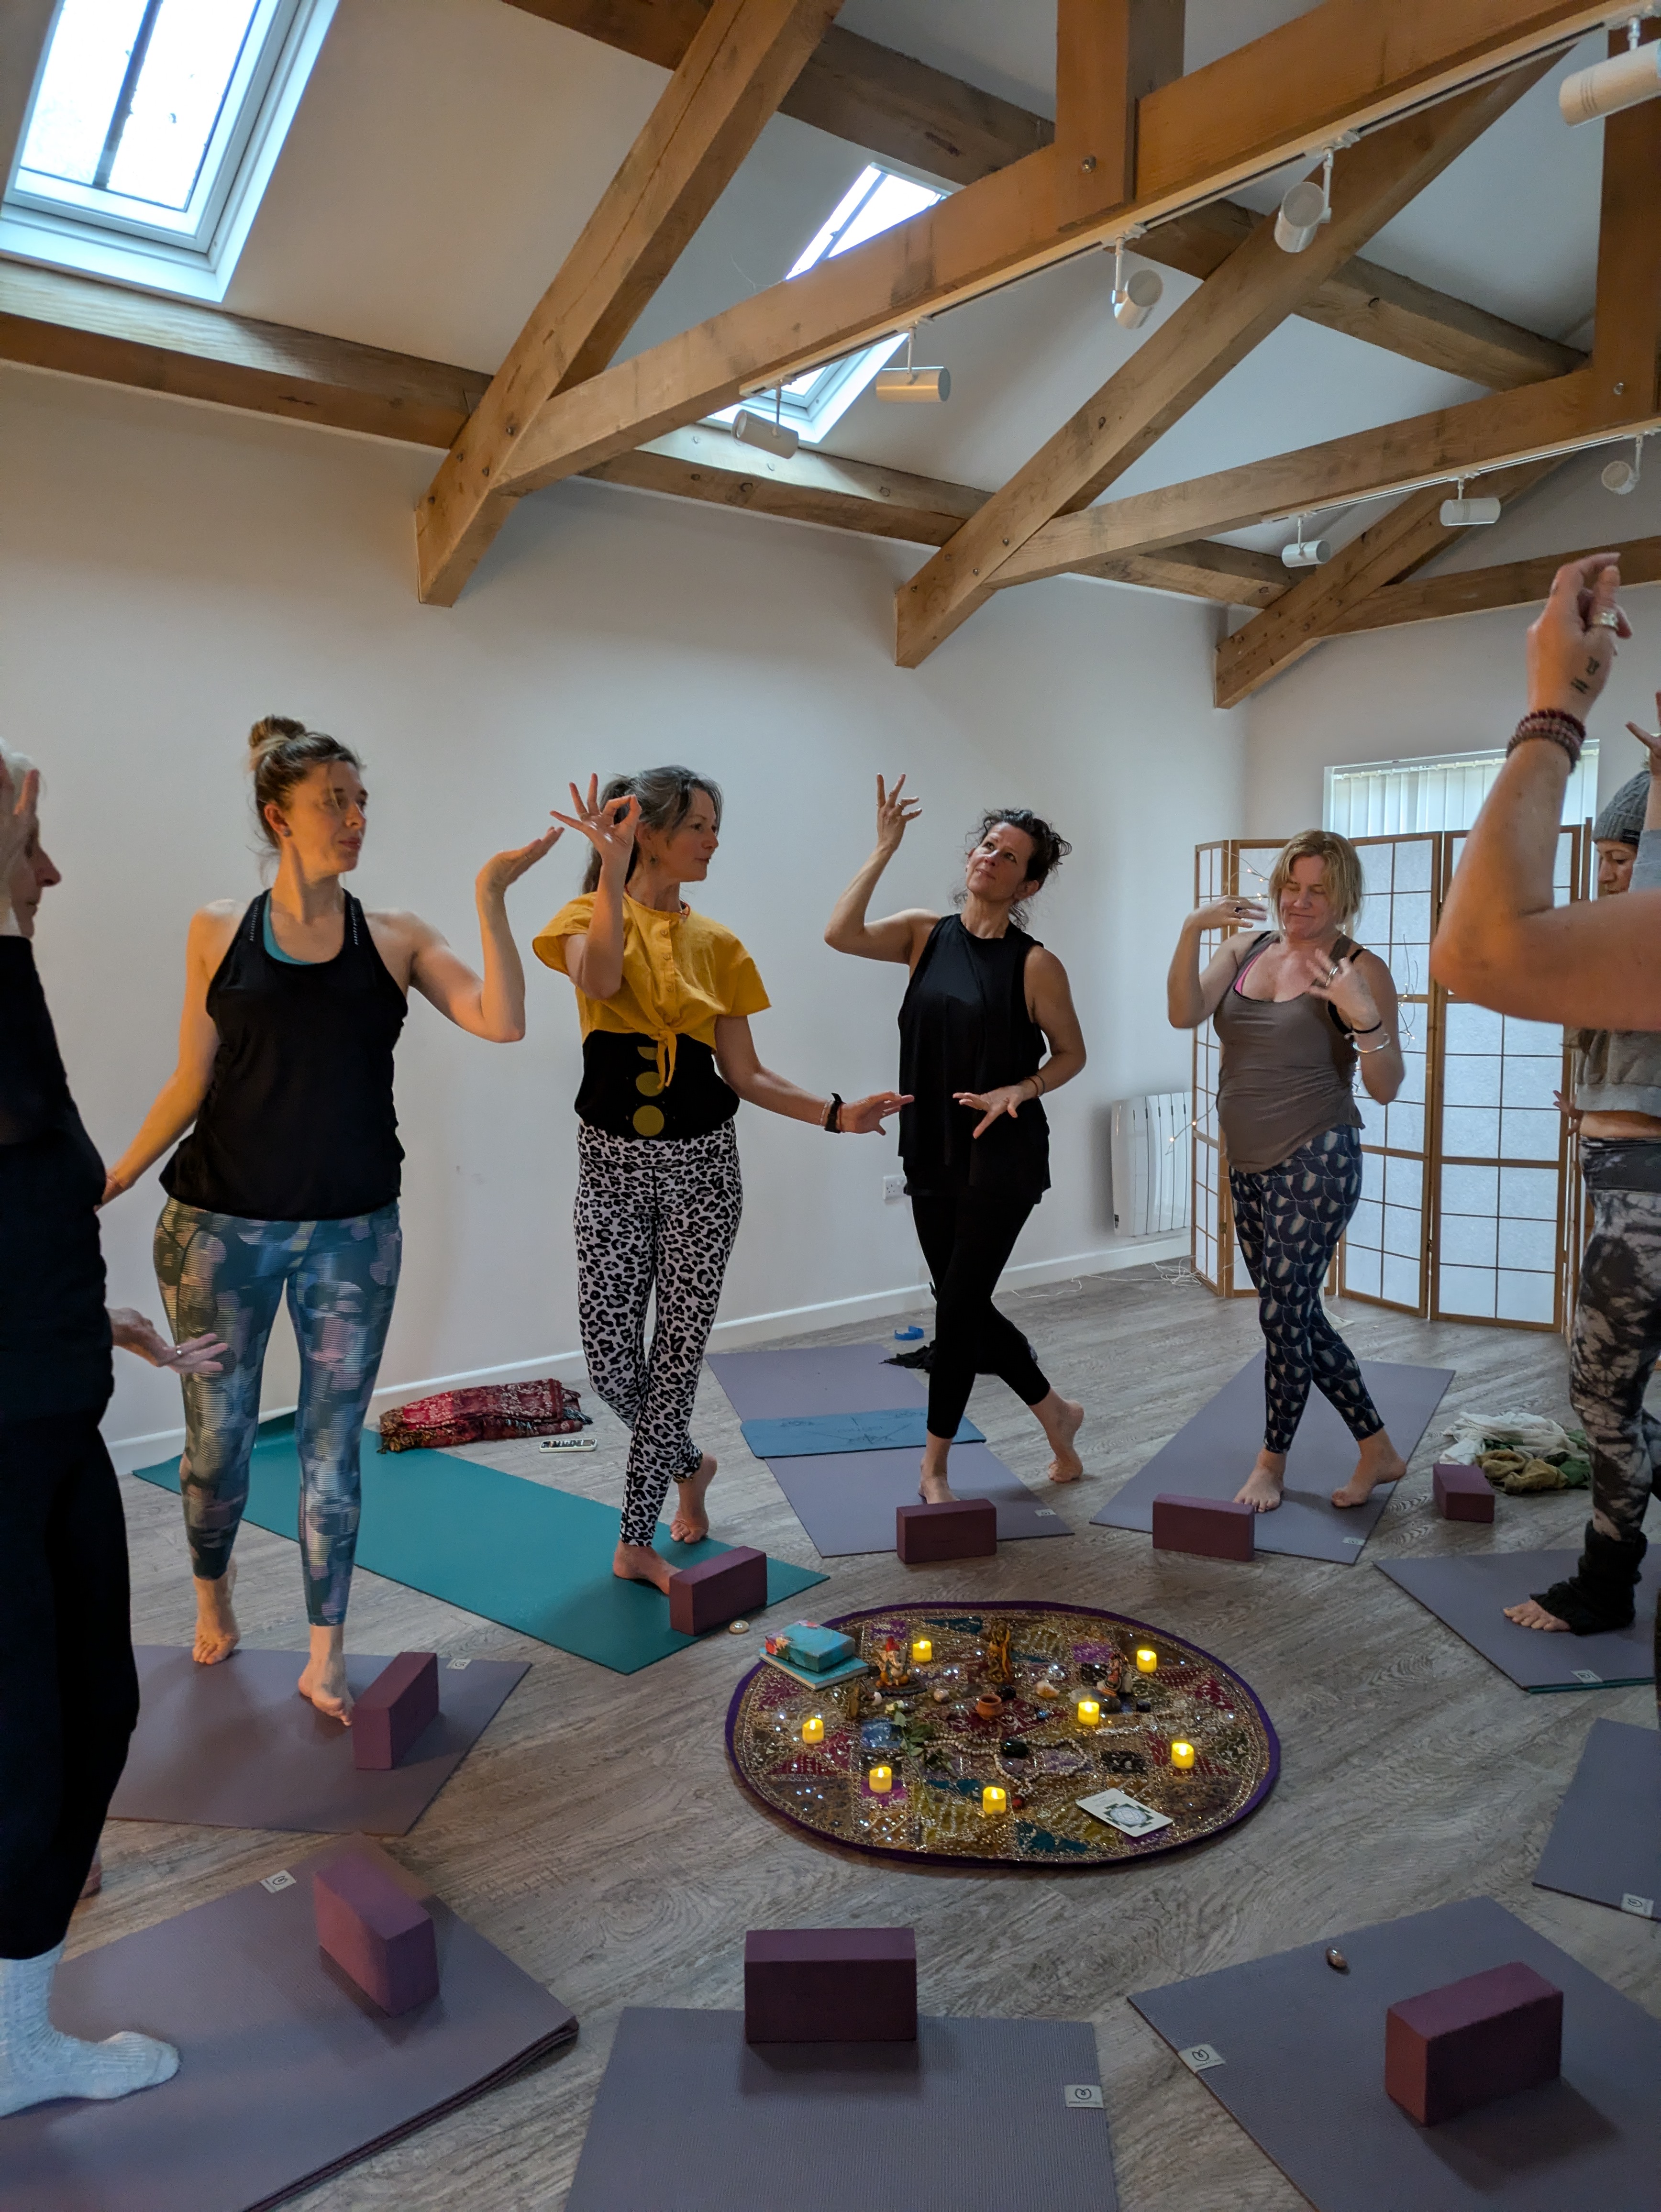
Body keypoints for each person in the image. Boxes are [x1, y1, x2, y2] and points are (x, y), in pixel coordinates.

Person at [103, 718, 557, 1721]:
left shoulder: (394, 936)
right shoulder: (218, 928)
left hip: (352, 1235)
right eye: (333, 803)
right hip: (216, 1229)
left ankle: (325, 1653)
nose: (354, 818)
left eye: (360, 802)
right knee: (216, 1445)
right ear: (279, 817)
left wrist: (491, 898)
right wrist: (120, 1171)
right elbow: (192, 1075)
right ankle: (213, 1589)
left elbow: (502, 1019)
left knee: (330, 1446)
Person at [0, 746, 225, 2120]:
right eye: (28, 842)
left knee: (92, 1712)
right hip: (10, 1437)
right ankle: (12, 2050)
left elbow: (30, 1190)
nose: (51, 869)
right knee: (31, 1748)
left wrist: (97, 1325)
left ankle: (15, 2030)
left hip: (49, 1418)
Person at [535, 770, 908, 1592]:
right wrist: (611, 870)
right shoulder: (583, 918)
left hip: (703, 1171)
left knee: (674, 1360)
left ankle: (635, 1541)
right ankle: (688, 1464)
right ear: (651, 833)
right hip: (610, 1171)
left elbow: (746, 1074)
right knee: (611, 1366)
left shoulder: (721, 945)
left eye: (714, 825)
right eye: (699, 825)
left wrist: (835, 1113)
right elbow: (600, 981)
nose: (713, 840)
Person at [824, 779, 1087, 1501]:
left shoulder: (1035, 964)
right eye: (987, 846)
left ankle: (934, 1467)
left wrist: (1020, 1088)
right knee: (962, 1299)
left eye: (1009, 857)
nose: (990, 858)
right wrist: (884, 849)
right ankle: (1057, 1415)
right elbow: (840, 933)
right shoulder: (923, 934)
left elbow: (1071, 1054)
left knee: (957, 1309)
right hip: (931, 1147)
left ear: (1028, 884)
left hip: (1002, 1154)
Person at [1166, 830, 1411, 1513]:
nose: (1299, 902)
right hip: (1246, 1158)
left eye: (1317, 892)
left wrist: (1366, 1022)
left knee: (1281, 1314)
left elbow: (1387, 1086)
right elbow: (1184, 1012)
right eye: (1290, 887)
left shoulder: (1358, 968)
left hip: (1318, 1154)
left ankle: (1271, 1463)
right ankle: (1378, 1450)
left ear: (1344, 899)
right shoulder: (1245, 949)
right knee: (1295, 1315)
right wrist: (1191, 930)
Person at [1497, 715, 1661, 1637]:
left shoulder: (1653, 926)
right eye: (1601, 859)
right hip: (1624, 1183)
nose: (1609, 874)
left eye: (1624, 857)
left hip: (1645, 1199)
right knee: (1613, 1393)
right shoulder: (1617, 941)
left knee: (1602, 1398)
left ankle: (1605, 1586)